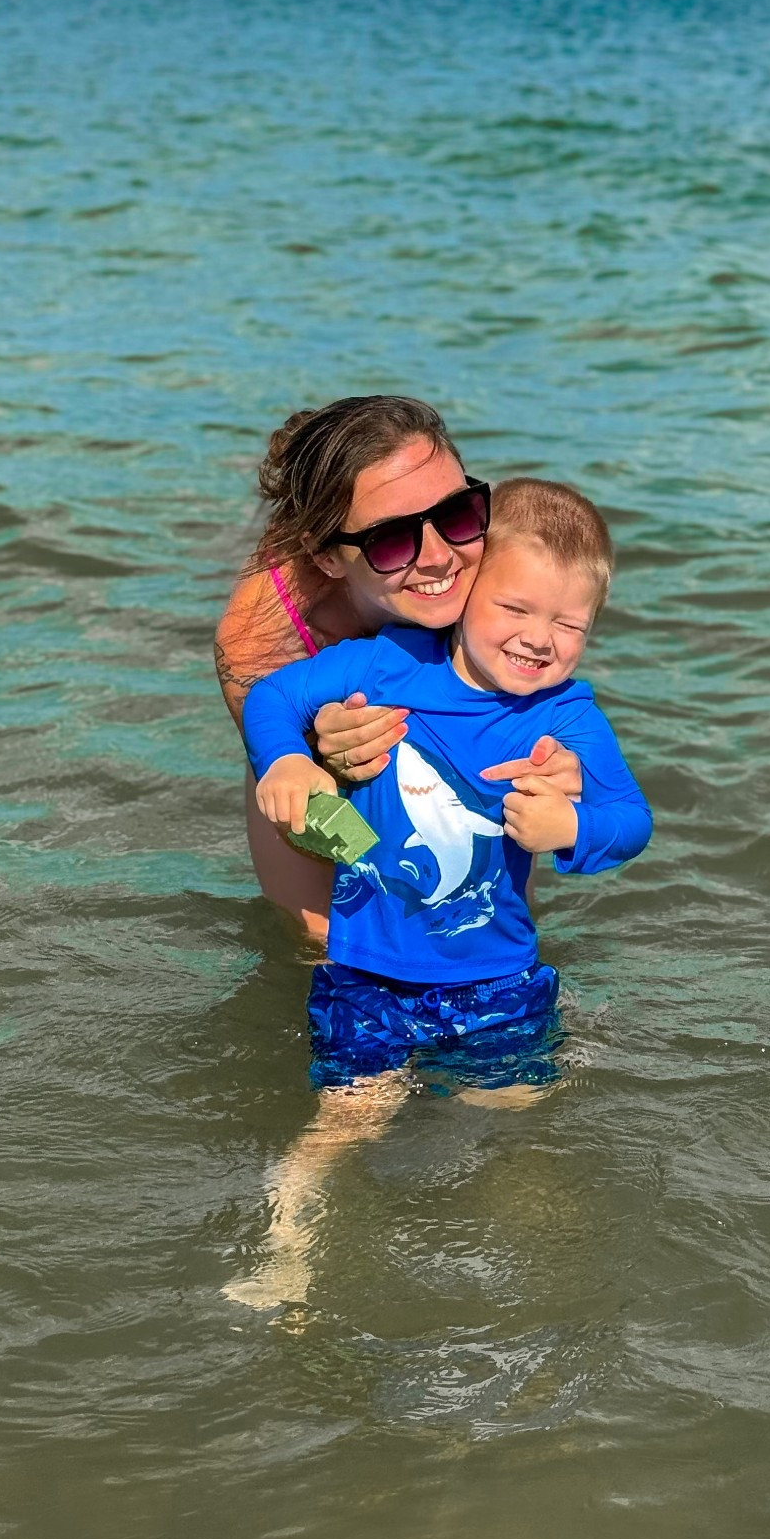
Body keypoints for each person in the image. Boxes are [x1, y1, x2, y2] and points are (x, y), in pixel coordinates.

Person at [224, 478, 652, 1309]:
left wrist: (572, 828)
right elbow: (274, 694)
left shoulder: (566, 715)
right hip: (369, 973)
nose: (539, 640)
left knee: (514, 1115)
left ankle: (510, 1263)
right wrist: (286, 759)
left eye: (569, 625)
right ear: (464, 590)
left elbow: (629, 821)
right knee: (346, 1122)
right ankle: (286, 1242)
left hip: (495, 978)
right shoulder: (387, 664)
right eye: (517, 608)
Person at [213, 396, 584, 939]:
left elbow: (548, 694)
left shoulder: (486, 553)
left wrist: (566, 767)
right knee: (317, 941)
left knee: (498, 923)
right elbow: (300, 819)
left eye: (456, 512)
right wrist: (324, 763)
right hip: (309, 705)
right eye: (389, 539)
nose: (438, 557)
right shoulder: (260, 638)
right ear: (324, 555)